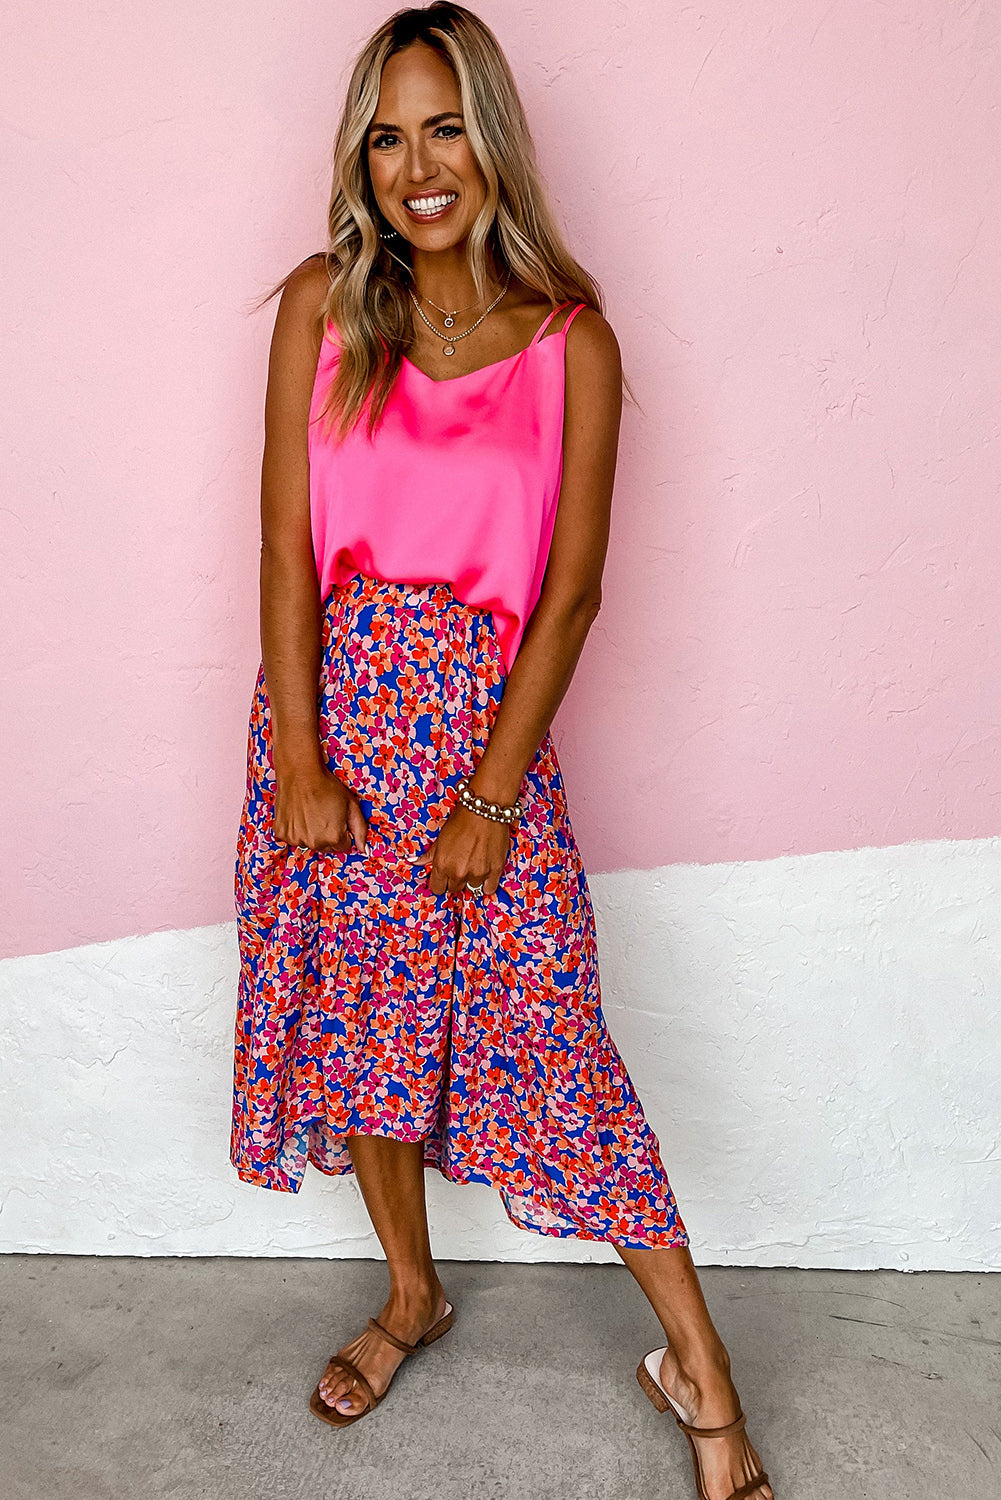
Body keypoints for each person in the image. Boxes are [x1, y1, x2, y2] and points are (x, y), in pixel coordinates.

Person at [229, 6, 772, 1497]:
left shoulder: (569, 342)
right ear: (363, 157)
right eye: (387, 135)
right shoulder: (319, 311)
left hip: (482, 746)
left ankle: (700, 1376)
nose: (417, 166)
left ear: (493, 140)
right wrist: (298, 765)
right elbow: (284, 544)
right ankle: (411, 1292)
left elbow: (572, 588)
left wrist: (487, 794)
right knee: (365, 1035)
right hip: (330, 724)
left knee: (556, 1043)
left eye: (444, 125)